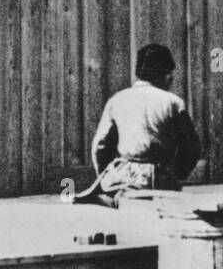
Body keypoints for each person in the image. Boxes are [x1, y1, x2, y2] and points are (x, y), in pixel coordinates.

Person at [74, 43, 201, 207]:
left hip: (120, 177)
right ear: (166, 75)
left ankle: (115, 198)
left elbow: (100, 146)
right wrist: (177, 174)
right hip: (157, 178)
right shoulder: (173, 103)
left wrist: (105, 174)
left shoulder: (117, 100)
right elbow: (191, 147)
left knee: (118, 195)